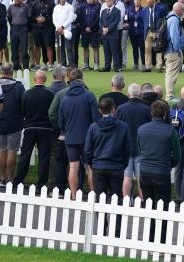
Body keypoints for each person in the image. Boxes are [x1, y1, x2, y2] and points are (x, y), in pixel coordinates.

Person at [58, 68, 98, 198]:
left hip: (71, 138)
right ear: (82, 79)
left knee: (73, 167)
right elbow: (96, 119)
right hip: (87, 138)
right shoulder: (89, 95)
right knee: (90, 168)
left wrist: (68, 129)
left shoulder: (64, 98)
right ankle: (93, 194)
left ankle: (74, 195)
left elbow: (60, 123)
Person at [13, 69, 54, 188]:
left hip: (30, 127)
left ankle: (18, 181)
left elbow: (23, 110)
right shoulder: (50, 94)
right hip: (46, 128)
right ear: (45, 80)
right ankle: (41, 184)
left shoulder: (27, 93)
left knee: (25, 155)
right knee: (44, 157)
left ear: (34, 79)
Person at [85, 96, 130, 201]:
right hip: (114, 166)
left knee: (100, 198)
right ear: (113, 109)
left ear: (100, 110)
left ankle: (103, 218)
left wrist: (91, 163)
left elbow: (88, 149)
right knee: (117, 198)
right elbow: (127, 149)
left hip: (101, 166)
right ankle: (116, 218)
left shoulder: (93, 127)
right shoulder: (123, 127)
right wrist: (123, 163)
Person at [137, 99, 180, 206]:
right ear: (165, 114)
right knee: (163, 206)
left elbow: (140, 149)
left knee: (148, 205)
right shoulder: (170, 131)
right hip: (162, 171)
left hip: (145, 171)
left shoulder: (141, 129)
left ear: (151, 112)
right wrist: (170, 163)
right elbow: (177, 155)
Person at [116, 83, 152, 197]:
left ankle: (125, 201)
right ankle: (143, 202)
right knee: (141, 178)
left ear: (128, 94)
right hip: (141, 147)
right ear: (140, 94)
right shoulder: (146, 109)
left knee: (126, 177)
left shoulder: (121, 109)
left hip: (125, 147)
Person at [0, 64, 24, 183]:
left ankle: (2, 176)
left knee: (1, 150)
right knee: (12, 151)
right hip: (14, 122)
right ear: (12, 72)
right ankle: (10, 177)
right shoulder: (18, 87)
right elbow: (23, 105)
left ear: (1, 72)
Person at [163, 2, 184, 100]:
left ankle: (169, 95)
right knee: (171, 74)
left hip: (169, 50)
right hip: (173, 51)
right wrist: (178, 50)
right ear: (179, 10)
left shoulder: (169, 17)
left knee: (170, 73)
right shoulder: (174, 19)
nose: (183, 12)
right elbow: (174, 36)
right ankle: (169, 96)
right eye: (182, 10)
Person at [6, 0, 29, 70]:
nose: (16, 0)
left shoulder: (26, 6)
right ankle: (16, 65)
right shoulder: (11, 7)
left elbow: (29, 17)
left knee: (24, 47)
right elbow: (9, 18)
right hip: (14, 28)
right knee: (14, 47)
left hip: (23, 28)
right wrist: (13, 25)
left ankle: (25, 65)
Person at [52, 0, 75, 67]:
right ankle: (63, 65)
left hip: (67, 30)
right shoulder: (56, 7)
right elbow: (54, 19)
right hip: (58, 30)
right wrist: (58, 27)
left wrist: (62, 27)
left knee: (69, 49)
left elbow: (70, 19)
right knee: (61, 48)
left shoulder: (70, 7)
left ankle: (71, 65)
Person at [99, 0, 122, 72]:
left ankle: (116, 67)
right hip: (105, 35)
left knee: (114, 51)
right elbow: (100, 21)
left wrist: (108, 29)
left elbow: (116, 22)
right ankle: (107, 66)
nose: (107, 2)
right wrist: (103, 28)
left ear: (112, 1)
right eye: (106, 1)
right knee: (106, 51)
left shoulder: (117, 11)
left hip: (112, 34)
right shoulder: (103, 11)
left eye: (108, 1)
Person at [141, 0, 163, 72]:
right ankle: (148, 66)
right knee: (147, 49)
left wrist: (159, 31)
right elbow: (143, 21)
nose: (148, 4)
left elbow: (163, 21)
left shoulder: (160, 9)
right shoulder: (144, 10)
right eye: (147, 3)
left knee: (158, 49)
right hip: (148, 32)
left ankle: (159, 66)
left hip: (157, 32)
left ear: (153, 2)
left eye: (150, 3)